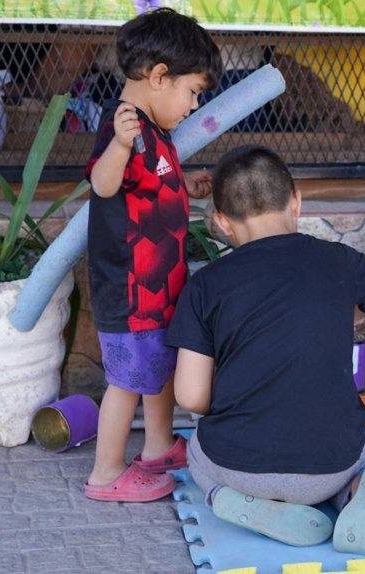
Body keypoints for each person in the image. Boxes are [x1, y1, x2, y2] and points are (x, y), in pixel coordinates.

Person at [164, 145, 365, 554]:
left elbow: (191, 397)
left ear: (221, 222)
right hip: (331, 466)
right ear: (296, 202)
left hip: (237, 467)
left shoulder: (205, 285)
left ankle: (236, 503)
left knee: (197, 454)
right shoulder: (337, 262)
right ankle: (353, 496)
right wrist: (350, 305)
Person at [82, 8, 223, 502]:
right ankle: (105, 474)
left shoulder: (155, 129)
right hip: (131, 287)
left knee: (156, 366)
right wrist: (119, 146)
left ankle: (159, 445)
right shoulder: (123, 125)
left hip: (159, 284)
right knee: (127, 378)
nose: (193, 104)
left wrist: (188, 182)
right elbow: (104, 184)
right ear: (159, 77)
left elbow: (151, 180)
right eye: (192, 91)